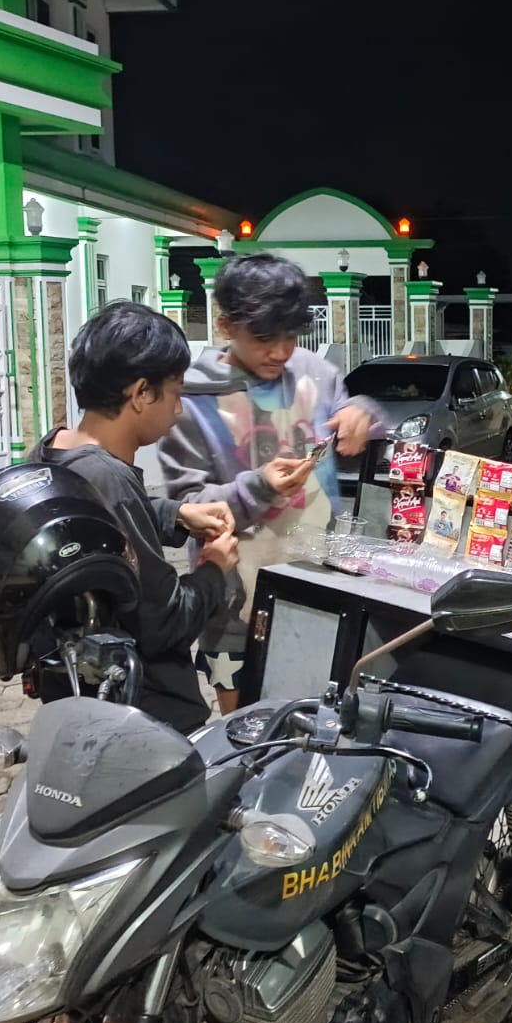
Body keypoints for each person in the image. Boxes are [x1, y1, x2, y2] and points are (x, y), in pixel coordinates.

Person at [158, 253, 380, 713]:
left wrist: (359, 413)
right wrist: (259, 487)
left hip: (323, 586)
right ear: (225, 325)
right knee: (245, 727)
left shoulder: (316, 374)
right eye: (263, 338)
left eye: (291, 336)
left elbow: (351, 413)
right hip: (236, 607)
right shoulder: (191, 402)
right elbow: (187, 508)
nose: (280, 352)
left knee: (322, 717)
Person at [28, 300, 239, 734]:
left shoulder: (51, 453)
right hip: (144, 719)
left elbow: (96, 526)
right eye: (175, 392)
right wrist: (215, 569)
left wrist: (176, 514)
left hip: (77, 704)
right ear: (142, 393)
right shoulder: (111, 480)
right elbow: (165, 623)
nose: (178, 409)